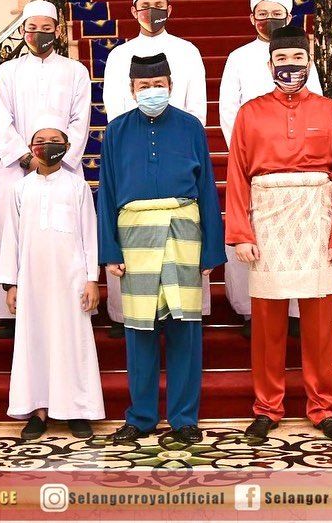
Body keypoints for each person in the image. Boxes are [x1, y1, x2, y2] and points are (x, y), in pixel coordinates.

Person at [225, 26, 332, 441]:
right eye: (282, 60)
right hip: (267, 219)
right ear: (270, 65)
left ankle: (322, 406)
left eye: (297, 60)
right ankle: (268, 407)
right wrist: (241, 232)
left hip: (315, 217)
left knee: (319, 324)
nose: (290, 67)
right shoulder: (250, 113)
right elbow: (237, 176)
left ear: (308, 62)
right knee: (267, 325)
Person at [98, 53, 226, 445]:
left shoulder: (190, 127)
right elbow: (106, 191)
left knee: (185, 328)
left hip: (182, 233)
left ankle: (184, 418)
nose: (152, 92)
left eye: (158, 86)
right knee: (139, 330)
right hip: (134, 237)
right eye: (143, 87)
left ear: (170, 86)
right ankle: (141, 416)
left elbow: (206, 188)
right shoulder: (116, 131)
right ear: (131, 90)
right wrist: (110, 250)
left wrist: (211, 250)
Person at [102, 0, 209, 338]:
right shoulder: (119, 55)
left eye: (159, 4)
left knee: (184, 312)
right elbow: (116, 103)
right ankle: (123, 315)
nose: (152, 11)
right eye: (145, 5)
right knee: (137, 309)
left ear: (170, 8)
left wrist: (178, 136)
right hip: (132, 147)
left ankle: (187, 313)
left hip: (178, 145)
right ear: (133, 11)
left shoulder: (188, 51)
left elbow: (196, 104)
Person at [219, 0, 323, 337]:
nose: (269, 20)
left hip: (300, 165)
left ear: (289, 17)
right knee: (256, 237)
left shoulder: (302, 54)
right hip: (255, 163)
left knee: (297, 237)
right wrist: (245, 155)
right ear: (251, 18)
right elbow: (229, 110)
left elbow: (317, 106)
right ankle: (252, 311)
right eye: (261, 14)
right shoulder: (237, 57)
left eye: (276, 13)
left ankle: (295, 311)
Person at [0, 0, 92, 337]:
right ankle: (10, 307)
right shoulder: (8, 71)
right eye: (32, 28)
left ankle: (65, 301)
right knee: (12, 233)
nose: (39, 34)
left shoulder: (75, 71)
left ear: (58, 31)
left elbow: (80, 120)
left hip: (64, 169)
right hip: (19, 168)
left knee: (65, 235)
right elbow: (2, 120)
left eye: (46, 29)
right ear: (22, 32)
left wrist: (57, 159)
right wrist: (28, 158)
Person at [0, 113, 105, 440]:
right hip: (31, 281)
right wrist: (12, 284)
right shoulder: (20, 189)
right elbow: (11, 238)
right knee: (36, 343)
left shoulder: (77, 186)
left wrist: (91, 278)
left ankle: (75, 410)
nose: (48, 146)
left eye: (55, 141)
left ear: (67, 147)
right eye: (41, 141)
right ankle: (39, 411)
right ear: (31, 148)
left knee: (72, 344)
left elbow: (89, 232)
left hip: (71, 280)